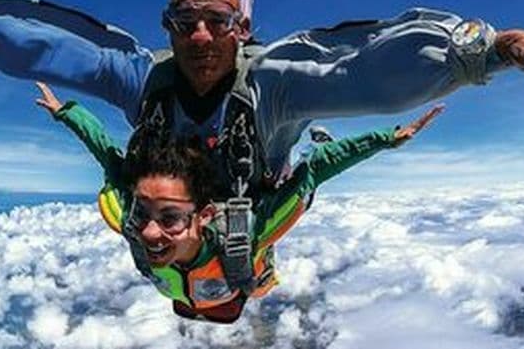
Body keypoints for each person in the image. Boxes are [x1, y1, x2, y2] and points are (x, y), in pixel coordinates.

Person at [0, 0, 524, 199]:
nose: (201, 36)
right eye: (184, 21)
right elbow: (49, 51)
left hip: (255, 194)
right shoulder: (141, 79)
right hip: (178, 222)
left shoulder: (273, 85)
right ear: (169, 27)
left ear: (241, 28)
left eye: (217, 20)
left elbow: (365, 76)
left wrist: (482, 53)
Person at [35, 81, 444, 323]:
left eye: (170, 218)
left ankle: (297, 130)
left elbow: (315, 170)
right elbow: (110, 159)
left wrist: (385, 139)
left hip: (234, 246)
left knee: (297, 186)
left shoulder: (241, 235)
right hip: (234, 276)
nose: (147, 230)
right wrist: (64, 112)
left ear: (205, 216)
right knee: (292, 200)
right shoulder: (242, 242)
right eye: (144, 212)